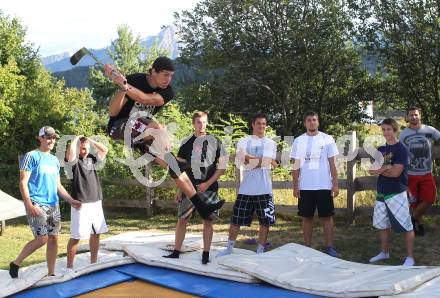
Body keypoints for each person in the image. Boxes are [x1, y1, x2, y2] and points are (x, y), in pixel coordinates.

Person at [103, 57, 224, 219]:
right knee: (158, 130)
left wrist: (125, 85)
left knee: (174, 165)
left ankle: (201, 206)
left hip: (142, 134)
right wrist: (123, 88)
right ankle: (173, 157)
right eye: (165, 75)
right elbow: (112, 113)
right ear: (153, 71)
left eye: (171, 75)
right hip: (119, 127)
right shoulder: (134, 80)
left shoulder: (167, 92)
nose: (168, 79)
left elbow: (145, 99)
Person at [9, 126, 82, 278]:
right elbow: (23, 183)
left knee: (54, 238)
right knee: (42, 239)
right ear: (40, 138)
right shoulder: (31, 156)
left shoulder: (55, 160)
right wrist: (28, 205)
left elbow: (58, 185)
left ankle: (51, 273)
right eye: (48, 137)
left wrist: (70, 200)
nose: (51, 140)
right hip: (36, 203)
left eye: (54, 138)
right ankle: (16, 263)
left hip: (53, 205)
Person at [164, 112, 226, 264]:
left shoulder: (215, 141)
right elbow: (179, 169)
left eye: (204, 122)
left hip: (209, 188)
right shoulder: (186, 143)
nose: (202, 125)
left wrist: (208, 183)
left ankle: (206, 254)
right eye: (198, 122)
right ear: (193, 124)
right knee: (182, 219)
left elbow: (222, 167)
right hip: (188, 188)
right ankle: (176, 251)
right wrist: (180, 189)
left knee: (208, 220)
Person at [216, 113, 278, 257]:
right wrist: (262, 160)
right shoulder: (244, 141)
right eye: (258, 123)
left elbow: (261, 161)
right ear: (253, 124)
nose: (261, 126)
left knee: (265, 221)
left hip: (264, 189)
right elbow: (245, 160)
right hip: (246, 189)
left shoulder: (271, 143)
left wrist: (253, 159)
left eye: (263, 124)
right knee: (236, 220)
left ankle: (260, 250)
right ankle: (229, 248)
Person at [291, 111, 339, 257]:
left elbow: (333, 163)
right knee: (307, 217)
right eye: (309, 120)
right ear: (305, 123)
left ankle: (329, 246)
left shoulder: (327, 139)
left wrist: (335, 184)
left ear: (318, 122)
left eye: (315, 120)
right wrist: (295, 186)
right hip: (305, 186)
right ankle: (307, 247)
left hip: (324, 185)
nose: (312, 122)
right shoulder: (298, 141)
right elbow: (295, 165)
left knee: (327, 217)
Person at [369, 118, 415, 266]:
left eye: (389, 129)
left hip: (396, 192)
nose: (386, 132)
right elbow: (371, 170)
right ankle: (384, 252)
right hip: (381, 192)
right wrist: (385, 168)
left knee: (406, 226)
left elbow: (396, 173)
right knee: (382, 225)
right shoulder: (381, 149)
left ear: (395, 130)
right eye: (383, 129)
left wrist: (381, 169)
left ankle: (410, 257)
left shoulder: (401, 149)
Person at [65, 136, 109, 271]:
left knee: (96, 233)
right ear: (77, 148)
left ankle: (94, 262)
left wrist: (90, 141)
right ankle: (69, 267)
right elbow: (70, 152)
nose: (85, 151)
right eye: (83, 149)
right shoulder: (73, 161)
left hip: (96, 200)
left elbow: (105, 150)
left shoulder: (91, 158)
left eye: (87, 148)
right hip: (80, 202)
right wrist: (76, 139)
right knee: (76, 237)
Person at [400, 107, 440, 236]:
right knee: (414, 202)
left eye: (416, 115)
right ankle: (420, 226)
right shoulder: (404, 134)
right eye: (411, 115)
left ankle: (411, 221)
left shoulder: (430, 130)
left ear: (420, 116)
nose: (414, 117)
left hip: (426, 172)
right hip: (410, 173)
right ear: (408, 117)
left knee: (430, 198)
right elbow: (401, 153)